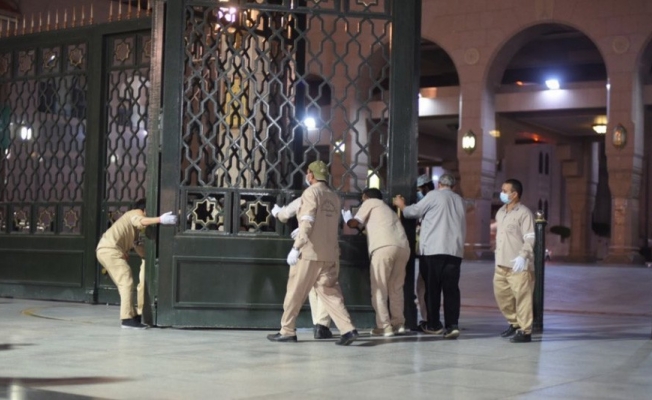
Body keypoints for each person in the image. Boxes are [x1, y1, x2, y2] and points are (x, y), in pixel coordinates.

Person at [267, 160, 358, 345]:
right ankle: (348, 330)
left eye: (308, 172)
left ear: (311, 175)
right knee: (330, 293)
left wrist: (296, 247)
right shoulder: (334, 197)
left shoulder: (311, 193)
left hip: (309, 253)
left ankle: (287, 331)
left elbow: (307, 221)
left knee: (295, 292)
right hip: (330, 254)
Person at [393, 173, 466, 339]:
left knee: (432, 289)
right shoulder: (459, 200)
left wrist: (401, 205)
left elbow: (413, 212)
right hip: (454, 252)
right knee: (451, 290)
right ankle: (452, 325)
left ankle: (433, 324)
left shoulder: (434, 195)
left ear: (439, 184)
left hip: (434, 250)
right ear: (453, 186)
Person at [96, 199, 178, 329]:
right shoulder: (136, 212)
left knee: (125, 283)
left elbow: (133, 242)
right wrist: (160, 219)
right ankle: (127, 319)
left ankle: (134, 316)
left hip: (110, 250)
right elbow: (140, 221)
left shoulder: (130, 221)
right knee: (126, 282)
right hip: (110, 250)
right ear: (145, 209)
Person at [342, 188, 410, 337]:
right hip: (403, 248)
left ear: (365, 196)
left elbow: (354, 223)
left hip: (383, 248)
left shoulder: (370, 202)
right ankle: (399, 324)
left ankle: (384, 326)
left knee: (379, 288)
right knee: (396, 288)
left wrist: (347, 218)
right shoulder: (388, 210)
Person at [271, 197, 335, 339]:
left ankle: (288, 329)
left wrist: (277, 213)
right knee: (325, 287)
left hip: (308, 249)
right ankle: (321, 326)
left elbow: (285, 215)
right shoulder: (333, 199)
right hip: (329, 249)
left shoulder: (306, 197)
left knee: (299, 288)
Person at [494, 178, 536, 343]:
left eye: (505, 191)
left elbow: (530, 237)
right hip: (501, 264)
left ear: (514, 194)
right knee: (502, 296)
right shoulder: (500, 212)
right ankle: (514, 323)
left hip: (519, 266)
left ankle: (525, 331)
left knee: (523, 299)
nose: (502, 193)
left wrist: (523, 256)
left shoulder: (524, 213)